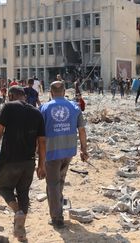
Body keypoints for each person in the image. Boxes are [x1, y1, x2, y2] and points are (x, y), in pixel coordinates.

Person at [0, 86, 46, 242]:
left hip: (10, 160)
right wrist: (41, 165)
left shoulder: (9, 107)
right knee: (23, 192)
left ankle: (17, 212)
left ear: (11, 96)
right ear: (24, 96)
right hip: (28, 162)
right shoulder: (36, 112)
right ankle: (21, 230)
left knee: (4, 187)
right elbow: (42, 141)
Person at [40, 81, 88, 229]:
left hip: (51, 151)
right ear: (65, 91)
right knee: (59, 181)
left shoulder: (44, 108)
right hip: (68, 151)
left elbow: (39, 135)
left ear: (51, 92)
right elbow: (82, 130)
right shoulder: (74, 107)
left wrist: (38, 155)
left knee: (53, 184)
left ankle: (57, 217)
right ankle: (58, 208)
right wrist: (84, 150)